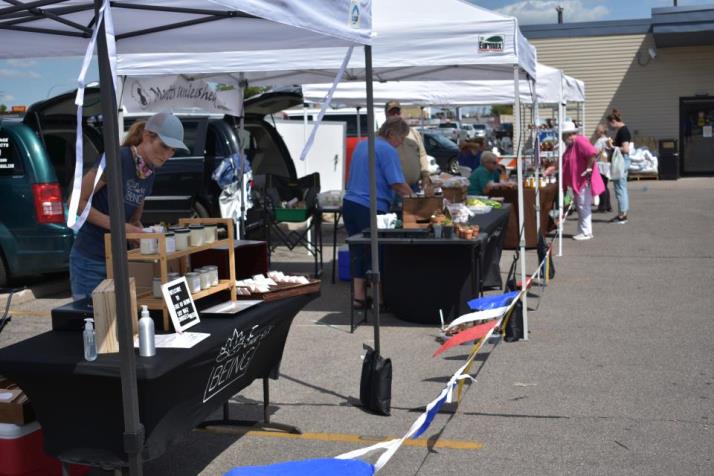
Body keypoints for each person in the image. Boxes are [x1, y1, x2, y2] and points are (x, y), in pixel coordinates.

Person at [69, 112, 189, 300]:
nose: (167, 154)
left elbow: (133, 219)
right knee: (91, 323)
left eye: (173, 150)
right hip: (90, 260)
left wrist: (145, 236)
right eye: (164, 146)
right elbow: (76, 202)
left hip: (121, 260)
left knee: (122, 324)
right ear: (147, 136)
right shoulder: (115, 159)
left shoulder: (149, 172)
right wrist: (120, 227)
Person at [343, 117, 413, 309]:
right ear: (391, 133)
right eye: (401, 138)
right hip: (369, 206)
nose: (401, 143)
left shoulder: (362, 144)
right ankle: (378, 300)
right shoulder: (386, 150)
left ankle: (358, 298)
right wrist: (415, 198)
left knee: (358, 250)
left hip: (350, 203)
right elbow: (396, 182)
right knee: (376, 252)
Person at [561, 121, 605, 240]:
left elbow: (592, 153)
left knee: (583, 205)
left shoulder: (579, 141)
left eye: (563, 136)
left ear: (569, 135)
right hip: (579, 181)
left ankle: (585, 232)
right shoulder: (571, 145)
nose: (562, 139)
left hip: (584, 180)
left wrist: (589, 168)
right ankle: (584, 231)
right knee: (581, 205)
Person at [384, 100, 430, 189]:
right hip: (393, 188)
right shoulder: (381, 136)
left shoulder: (414, 133)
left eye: (397, 112)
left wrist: (425, 176)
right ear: (386, 115)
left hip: (415, 186)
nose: (396, 115)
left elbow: (422, 155)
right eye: (392, 113)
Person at [607, 109, 631, 224]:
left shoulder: (623, 131)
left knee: (620, 189)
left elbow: (626, 149)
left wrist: (612, 146)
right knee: (621, 188)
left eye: (609, 124)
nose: (609, 127)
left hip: (622, 162)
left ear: (613, 121)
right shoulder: (622, 130)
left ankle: (622, 216)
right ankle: (622, 214)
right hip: (622, 161)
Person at [593, 124, 612, 213]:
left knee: (601, 186)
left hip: (600, 166)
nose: (595, 133)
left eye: (596, 131)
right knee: (605, 186)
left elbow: (594, 152)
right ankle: (608, 205)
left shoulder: (600, 141)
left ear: (600, 132)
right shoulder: (608, 140)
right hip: (607, 165)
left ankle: (602, 206)